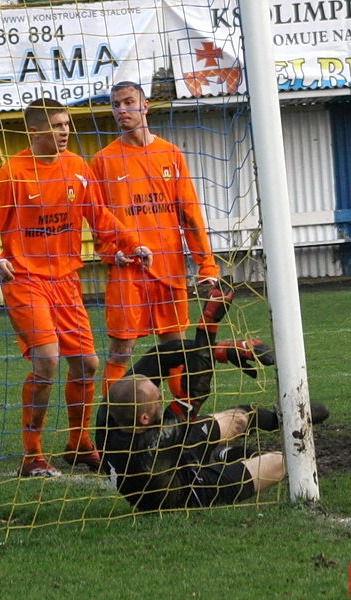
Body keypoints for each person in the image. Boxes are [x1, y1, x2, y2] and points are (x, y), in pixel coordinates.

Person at [0, 98, 154, 478]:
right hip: (26, 281)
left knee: (87, 364)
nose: (65, 131)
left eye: (66, 124)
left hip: (66, 281)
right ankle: (32, 453)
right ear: (35, 131)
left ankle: (79, 444)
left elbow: (101, 217)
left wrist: (131, 243)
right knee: (47, 360)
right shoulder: (14, 174)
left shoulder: (77, 169)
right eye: (56, 125)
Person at [94, 292, 329, 510]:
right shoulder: (154, 442)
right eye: (158, 399)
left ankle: (285, 420)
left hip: (170, 456)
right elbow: (196, 390)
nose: (161, 395)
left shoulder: (114, 407)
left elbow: (159, 356)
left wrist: (220, 351)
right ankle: (225, 459)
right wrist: (208, 324)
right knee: (282, 463)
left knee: (236, 420)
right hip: (183, 490)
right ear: (144, 418)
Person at [91, 81, 221, 412]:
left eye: (128, 102)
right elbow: (97, 220)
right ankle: (109, 427)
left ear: (145, 105)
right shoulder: (103, 162)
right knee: (122, 348)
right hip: (127, 273)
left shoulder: (170, 154)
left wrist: (207, 266)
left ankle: (183, 422)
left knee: (174, 347)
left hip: (169, 269)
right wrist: (111, 253)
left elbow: (190, 215)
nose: (122, 110)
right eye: (116, 105)